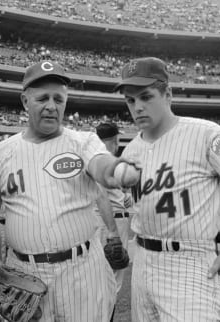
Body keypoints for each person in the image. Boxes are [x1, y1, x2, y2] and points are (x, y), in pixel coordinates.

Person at [0, 61, 131, 322]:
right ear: (25, 101)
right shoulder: (3, 153)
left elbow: (102, 164)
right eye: (43, 98)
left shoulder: (83, 142)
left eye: (58, 99)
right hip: (23, 274)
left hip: (82, 271)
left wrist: (115, 171)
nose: (51, 106)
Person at [114, 57, 220, 322]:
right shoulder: (133, 149)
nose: (137, 107)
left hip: (189, 261)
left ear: (168, 94)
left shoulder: (205, 134)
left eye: (146, 97)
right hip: (143, 262)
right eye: (130, 100)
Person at [95, 122, 133, 322]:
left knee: (100, 276)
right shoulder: (109, 160)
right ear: (116, 139)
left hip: (98, 221)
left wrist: (126, 194)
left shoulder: (94, 158)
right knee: (114, 275)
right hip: (113, 222)